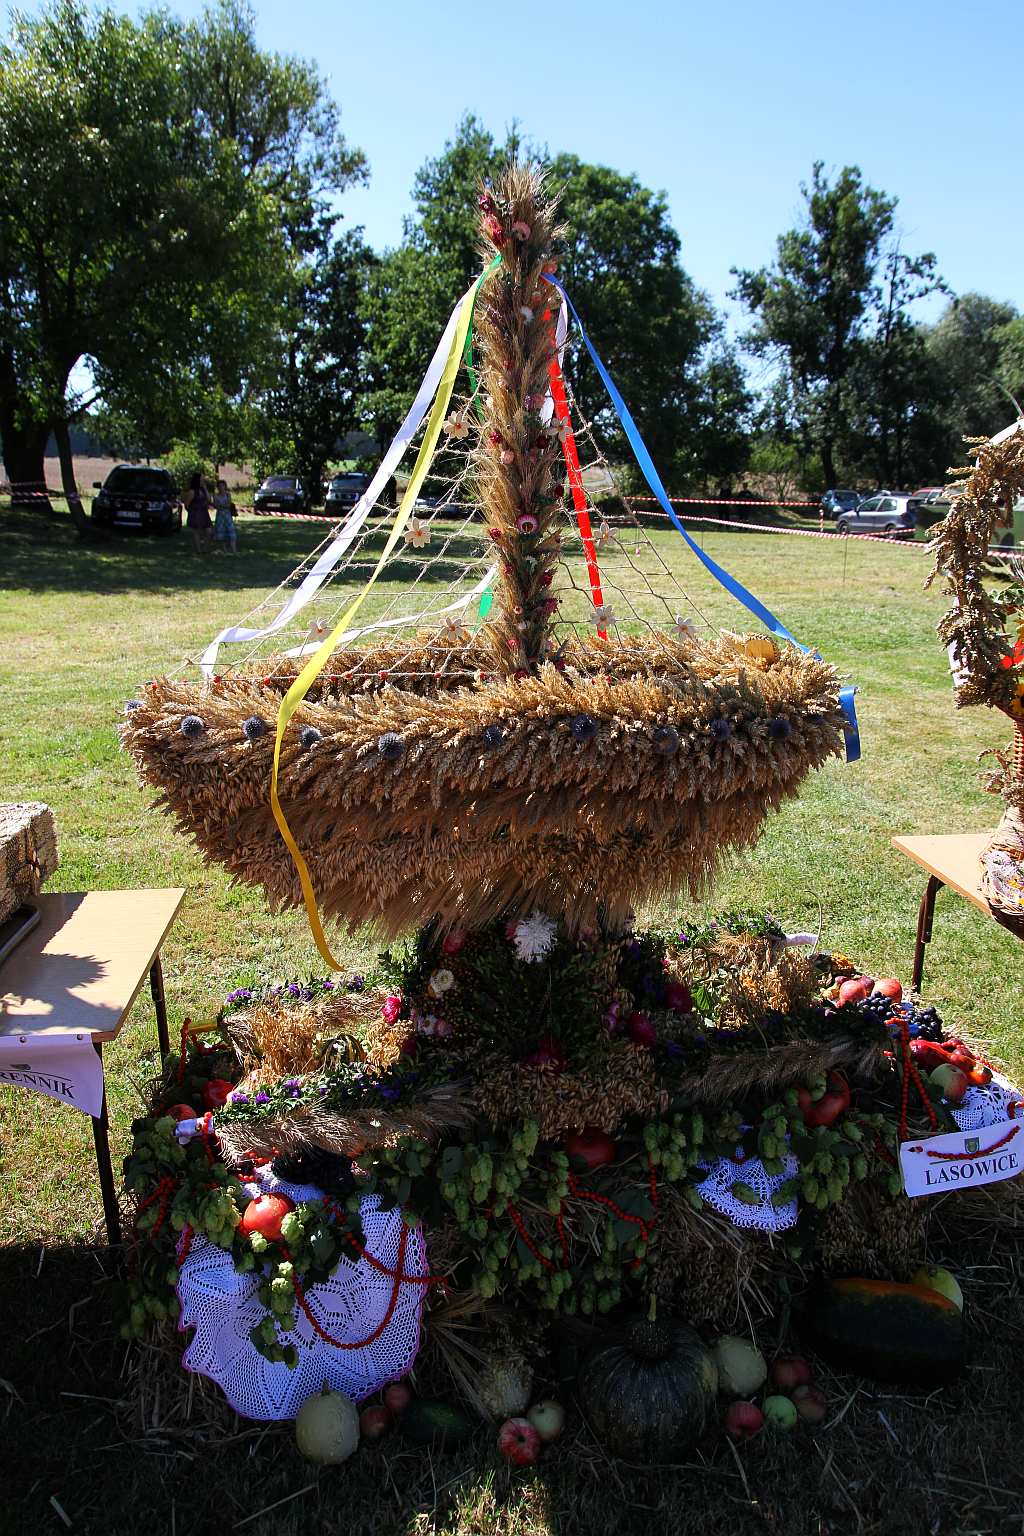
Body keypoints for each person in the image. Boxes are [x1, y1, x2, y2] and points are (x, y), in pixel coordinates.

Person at [184, 472, 212, 555]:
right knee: (196, 532)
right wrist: (192, 512)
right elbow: (186, 504)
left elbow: (209, 500)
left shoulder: (203, 490)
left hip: (204, 512)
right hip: (195, 513)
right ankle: (198, 550)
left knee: (209, 531)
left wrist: (205, 488)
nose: (203, 481)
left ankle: (205, 549)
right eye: (202, 479)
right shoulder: (192, 491)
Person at [212, 478, 237, 554]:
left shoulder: (228, 494)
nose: (221, 487)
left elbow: (228, 504)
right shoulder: (215, 496)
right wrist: (222, 505)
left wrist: (222, 505)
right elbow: (216, 505)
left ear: (225, 486)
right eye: (219, 486)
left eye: (222, 486)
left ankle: (234, 549)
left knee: (231, 532)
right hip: (220, 515)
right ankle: (224, 550)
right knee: (221, 532)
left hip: (227, 515)